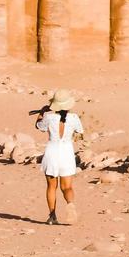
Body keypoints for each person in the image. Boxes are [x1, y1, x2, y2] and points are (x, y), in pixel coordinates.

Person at [34, 88, 83, 225]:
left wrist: (42, 112)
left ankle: (52, 215)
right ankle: (70, 204)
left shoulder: (49, 118)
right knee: (67, 187)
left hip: (52, 152)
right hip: (66, 152)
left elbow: (39, 126)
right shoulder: (73, 118)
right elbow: (79, 130)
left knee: (51, 186)